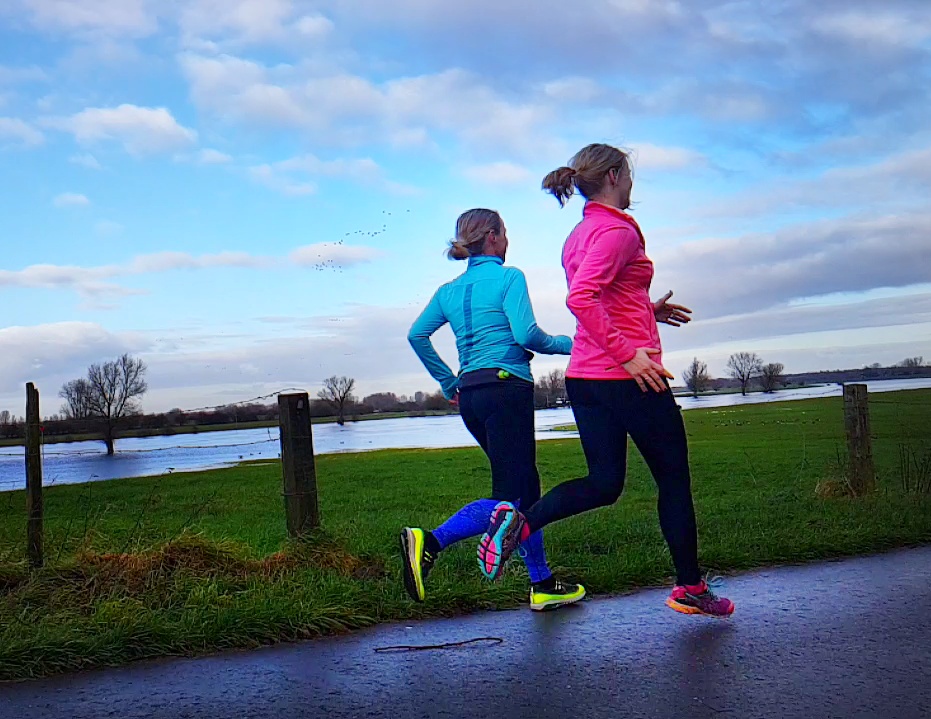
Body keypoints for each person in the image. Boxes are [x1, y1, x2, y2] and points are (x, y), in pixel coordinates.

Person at [476, 144, 735, 617]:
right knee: (673, 479)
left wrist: (646, 309)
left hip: (585, 377)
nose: (632, 183)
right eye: (629, 174)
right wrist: (630, 355)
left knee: (604, 483)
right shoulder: (618, 230)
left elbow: (605, 295)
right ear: (614, 176)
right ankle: (689, 587)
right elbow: (582, 297)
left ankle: (521, 523)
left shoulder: (578, 235)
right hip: (628, 376)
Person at [401, 208, 585, 611]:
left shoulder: (448, 291)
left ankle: (542, 584)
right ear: (492, 237)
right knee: (510, 499)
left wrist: (448, 382)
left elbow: (417, 336)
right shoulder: (509, 277)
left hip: (471, 395)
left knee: (525, 492)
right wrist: (572, 344)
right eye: (505, 233)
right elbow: (527, 335)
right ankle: (429, 541)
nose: (507, 240)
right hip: (506, 390)